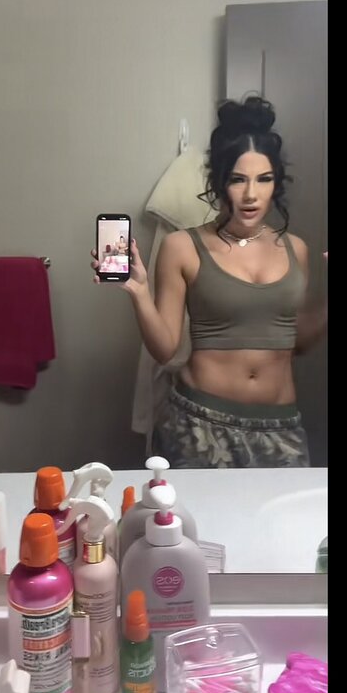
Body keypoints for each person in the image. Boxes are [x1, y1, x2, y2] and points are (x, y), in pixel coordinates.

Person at [91, 96, 327, 468]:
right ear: (219, 181)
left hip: (280, 426)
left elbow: (297, 342)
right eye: (238, 179)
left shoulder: (296, 249)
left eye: (264, 179)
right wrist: (139, 292)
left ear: (276, 183)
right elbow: (165, 349)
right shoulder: (182, 247)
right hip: (200, 424)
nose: (251, 194)